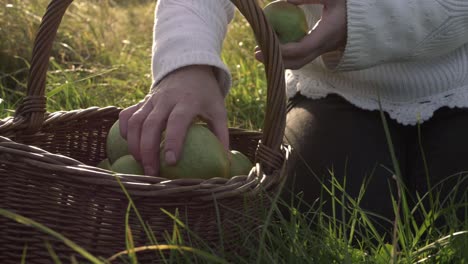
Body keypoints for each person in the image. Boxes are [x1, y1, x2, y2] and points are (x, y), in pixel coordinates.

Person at [118, 0, 467, 235]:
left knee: (454, 212)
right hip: (336, 90)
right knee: (333, 217)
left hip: (459, 82)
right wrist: (187, 63)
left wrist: (362, 17)